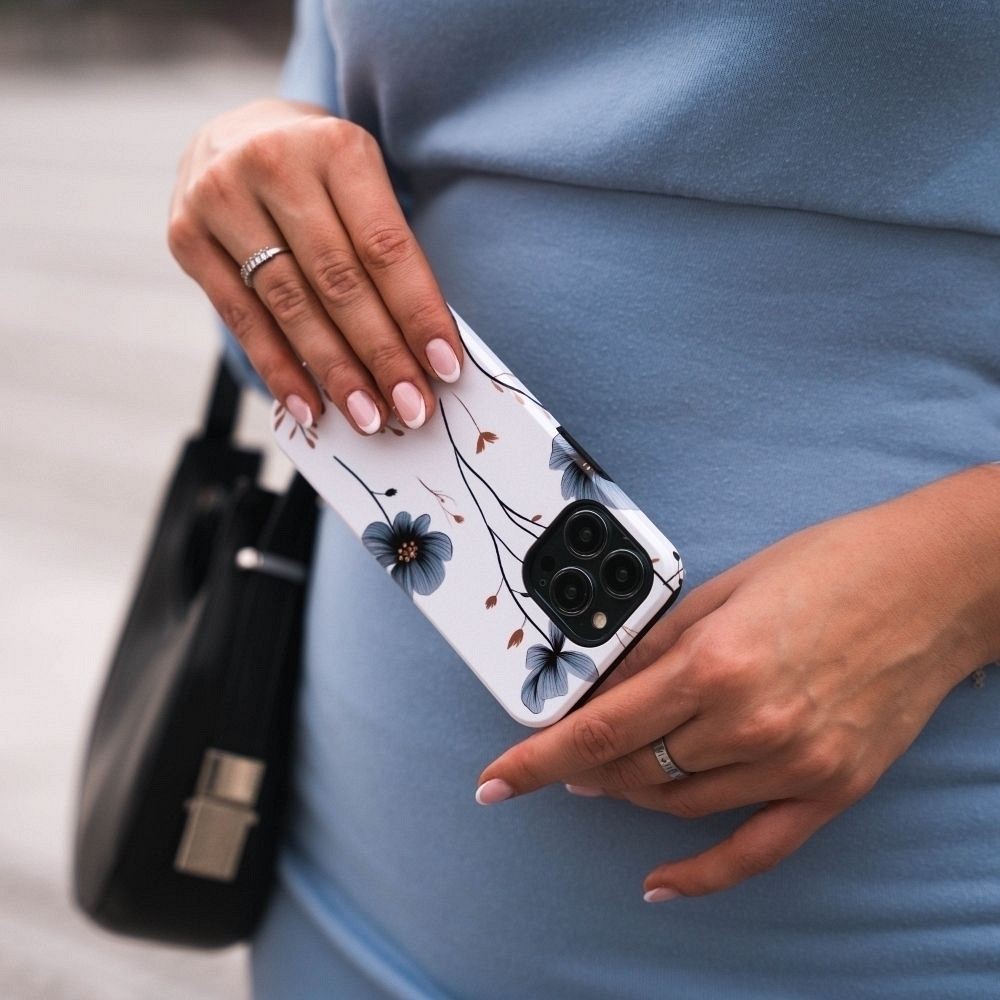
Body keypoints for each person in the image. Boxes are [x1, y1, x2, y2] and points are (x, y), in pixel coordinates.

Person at [168, 2, 1000, 996]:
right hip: (348, 882)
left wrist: (965, 575)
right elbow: (335, 77)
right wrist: (254, 170)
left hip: (881, 927)